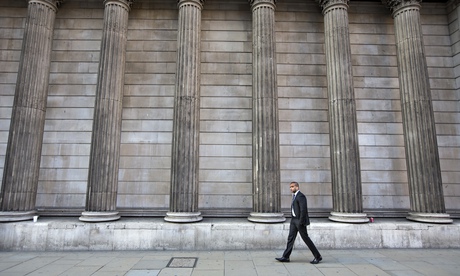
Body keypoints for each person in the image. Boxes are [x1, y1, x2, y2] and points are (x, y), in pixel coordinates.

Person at [275, 181, 322, 264]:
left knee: (306, 239)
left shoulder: (301, 196)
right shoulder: (294, 196)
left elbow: (303, 210)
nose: (291, 188)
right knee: (291, 238)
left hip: (299, 221)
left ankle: (318, 257)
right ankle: (286, 257)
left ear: (297, 187)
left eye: (292, 187)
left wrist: (301, 221)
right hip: (293, 220)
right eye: (290, 187)